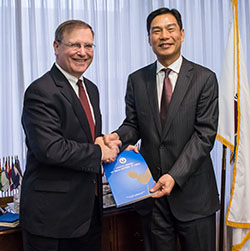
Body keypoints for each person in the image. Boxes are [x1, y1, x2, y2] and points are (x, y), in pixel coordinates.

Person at [104, 7, 220, 251]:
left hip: (194, 196)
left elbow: (204, 135)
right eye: (156, 31)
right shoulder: (137, 80)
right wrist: (117, 136)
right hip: (151, 195)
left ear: (182, 34)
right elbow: (133, 124)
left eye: (170, 29)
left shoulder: (204, 78)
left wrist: (174, 176)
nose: (164, 36)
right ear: (148, 38)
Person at [20, 20, 120, 251]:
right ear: (56, 46)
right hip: (52, 218)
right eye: (75, 45)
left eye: (89, 46)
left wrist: (109, 144)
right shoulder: (41, 91)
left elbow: (84, 136)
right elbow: (49, 149)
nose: (83, 53)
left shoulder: (91, 88)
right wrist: (98, 152)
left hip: (88, 213)